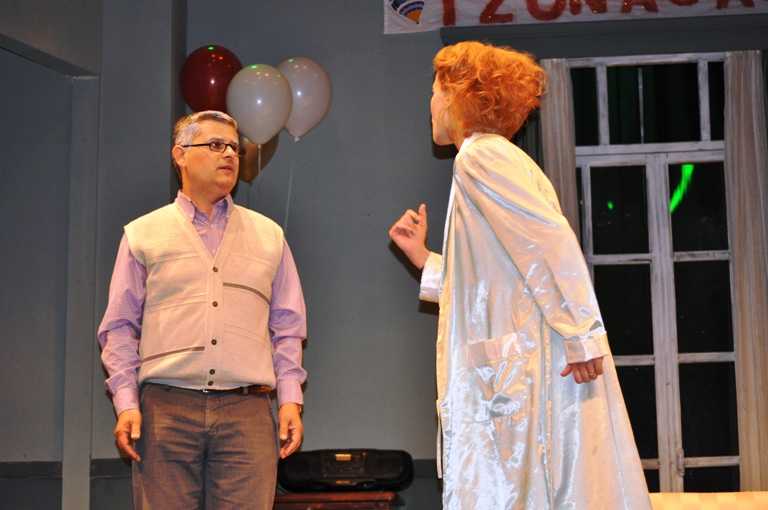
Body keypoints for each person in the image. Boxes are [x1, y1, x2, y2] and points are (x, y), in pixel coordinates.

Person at [388, 42, 651, 509]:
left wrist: (581, 335)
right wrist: (424, 259)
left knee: (525, 490)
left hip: (521, 375)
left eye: (434, 91)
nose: (430, 104)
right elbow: (488, 285)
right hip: (517, 366)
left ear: (457, 96)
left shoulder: (480, 158)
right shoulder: (495, 158)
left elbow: (547, 244)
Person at [98, 110, 307, 509]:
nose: (228, 154)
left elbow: (288, 326)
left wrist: (290, 400)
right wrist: (126, 402)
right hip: (165, 410)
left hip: (247, 411)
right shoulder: (143, 234)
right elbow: (119, 328)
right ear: (179, 155)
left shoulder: (270, 236)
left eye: (233, 147)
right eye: (214, 145)